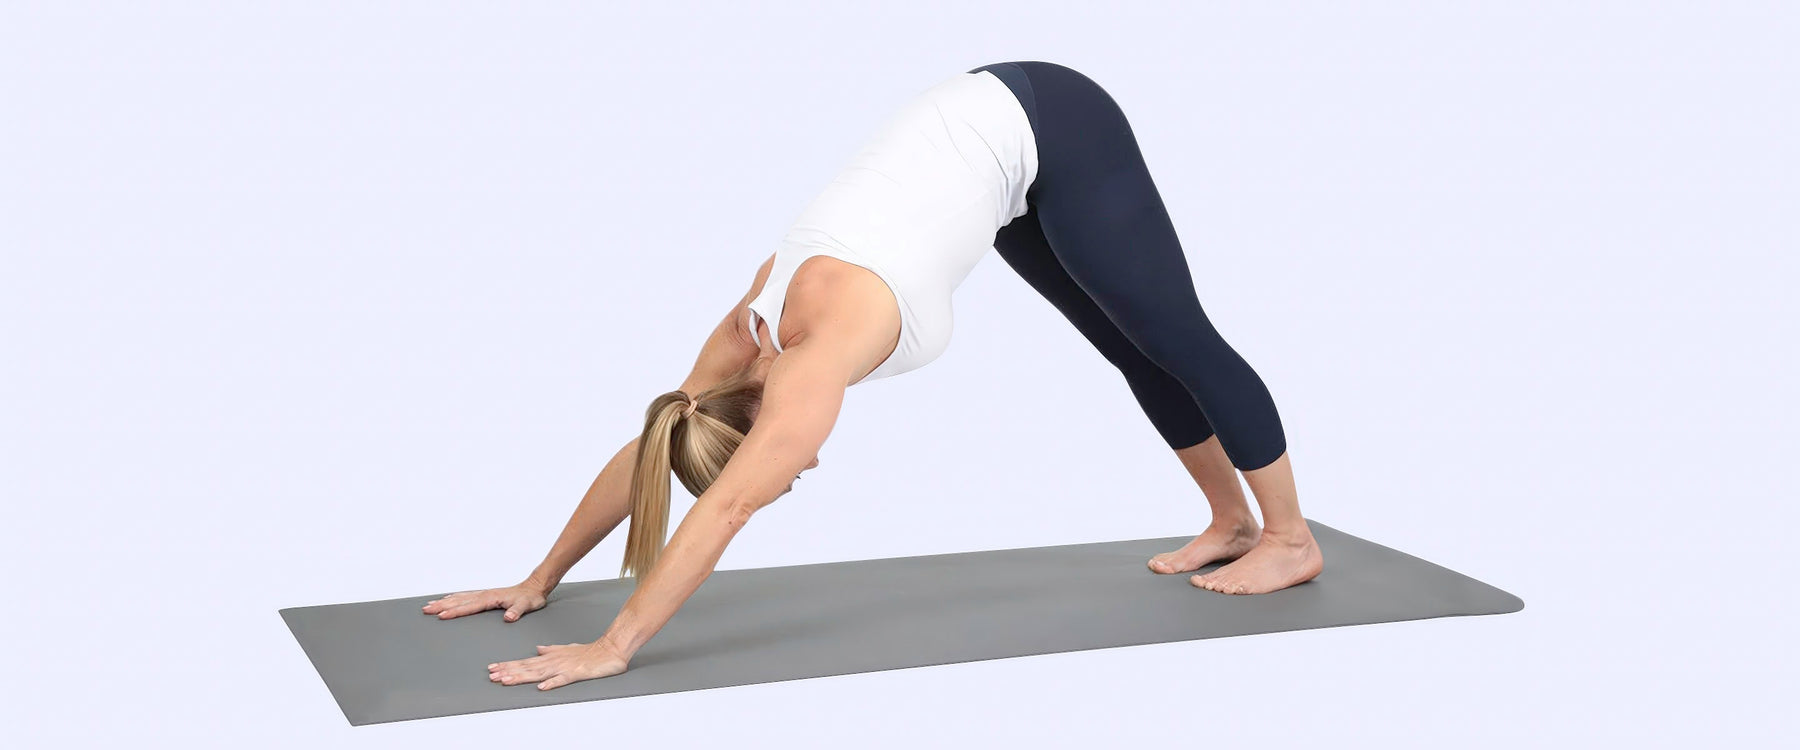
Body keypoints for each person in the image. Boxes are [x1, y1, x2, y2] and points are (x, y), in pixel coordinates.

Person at [423, 61, 1323, 691]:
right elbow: (655, 443)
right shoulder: (737, 346)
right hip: (982, 143)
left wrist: (613, 645)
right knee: (1128, 342)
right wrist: (539, 576)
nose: (797, 473)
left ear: (762, 425)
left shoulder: (804, 370)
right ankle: (1228, 520)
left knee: (1177, 335)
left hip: (1052, 118)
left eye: (779, 465)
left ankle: (1289, 540)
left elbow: (725, 505)